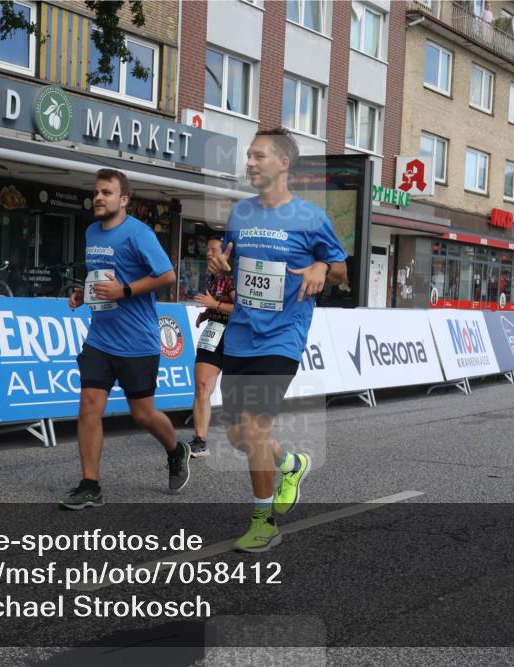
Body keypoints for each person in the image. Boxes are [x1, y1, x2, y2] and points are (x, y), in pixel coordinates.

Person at [208, 128, 348, 553]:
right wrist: (218, 263)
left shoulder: (310, 217)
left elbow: (342, 272)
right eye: (248, 156)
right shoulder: (241, 214)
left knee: (252, 427)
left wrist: (323, 268)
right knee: (237, 436)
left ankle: (263, 522)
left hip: (283, 337)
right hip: (241, 335)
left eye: (258, 156)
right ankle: (290, 464)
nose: (249, 163)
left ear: (283, 163)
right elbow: (226, 262)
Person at [60, 168, 190, 510]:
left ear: (124, 199)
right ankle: (90, 485)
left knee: (143, 413)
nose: (98, 197)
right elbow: (100, 277)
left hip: (138, 341)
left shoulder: (139, 234)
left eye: (106, 192)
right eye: (96, 192)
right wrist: (85, 293)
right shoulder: (91, 231)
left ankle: (177, 450)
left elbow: (167, 276)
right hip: (100, 338)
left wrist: (126, 290)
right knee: (89, 405)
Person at [189, 237, 236, 458]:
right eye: (207, 249)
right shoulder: (212, 276)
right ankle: (200, 441)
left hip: (237, 335)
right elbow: (215, 303)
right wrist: (207, 313)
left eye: (214, 250)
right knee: (201, 387)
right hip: (213, 332)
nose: (208, 254)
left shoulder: (231, 277)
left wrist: (214, 305)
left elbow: (242, 310)